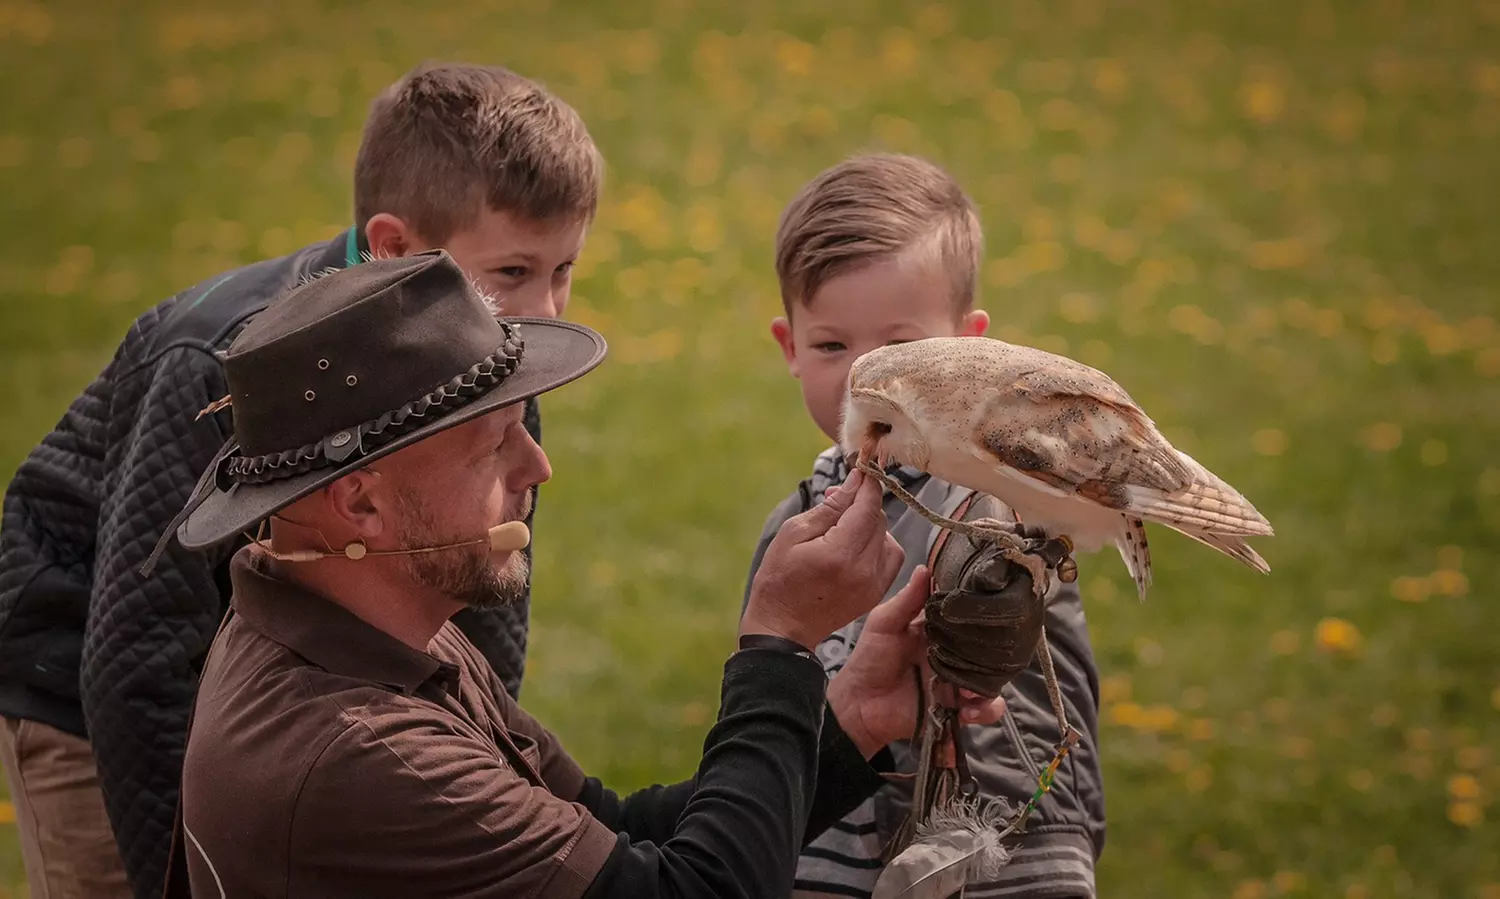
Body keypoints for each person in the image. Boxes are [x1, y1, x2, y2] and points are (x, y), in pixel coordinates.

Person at [155, 250, 1027, 898]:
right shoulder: (365, 754)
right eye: (494, 442)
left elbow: (619, 835)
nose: (537, 466)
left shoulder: (372, 630)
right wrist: (781, 646)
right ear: (360, 504)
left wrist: (849, 722)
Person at [0, 61, 600, 899]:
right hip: (92, 679)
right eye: (511, 275)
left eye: (563, 270)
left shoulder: (479, 350)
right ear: (394, 246)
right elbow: (136, 661)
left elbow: (471, 586)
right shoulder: (222, 367)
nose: (546, 312)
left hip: (293, 653)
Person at [742, 153, 1108, 898]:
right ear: (789, 347)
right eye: (831, 346)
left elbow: (1032, 730)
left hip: (980, 869)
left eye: (897, 350)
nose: (862, 378)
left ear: (966, 347)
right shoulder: (795, 523)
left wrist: (1025, 873)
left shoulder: (995, 516)